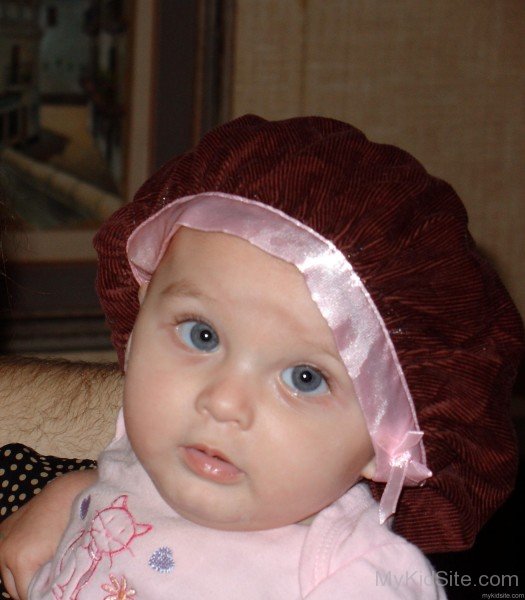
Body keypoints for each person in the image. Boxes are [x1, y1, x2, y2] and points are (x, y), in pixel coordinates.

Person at [3, 115, 524, 598]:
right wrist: (74, 494)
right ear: (138, 324)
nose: (224, 402)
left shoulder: (350, 576)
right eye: (202, 336)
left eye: (304, 378)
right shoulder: (145, 449)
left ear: (389, 444)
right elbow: (123, 478)